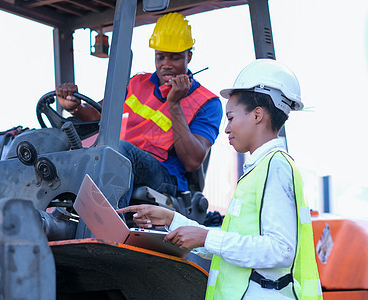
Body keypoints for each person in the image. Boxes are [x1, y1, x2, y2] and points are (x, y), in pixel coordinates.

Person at [117, 59, 323, 299]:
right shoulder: (258, 171)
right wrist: (172, 219)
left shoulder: (275, 166)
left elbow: (280, 250)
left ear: (257, 115)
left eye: (231, 118)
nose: (226, 128)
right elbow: (226, 247)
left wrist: (206, 236)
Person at [57, 13, 222, 208]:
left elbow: (192, 161)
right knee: (61, 148)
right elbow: (96, 114)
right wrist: (74, 106)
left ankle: (103, 228)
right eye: (160, 57)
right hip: (119, 158)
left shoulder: (207, 102)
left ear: (189, 56)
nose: (166, 65)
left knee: (117, 152)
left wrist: (174, 104)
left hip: (164, 177)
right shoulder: (137, 83)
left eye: (175, 57)